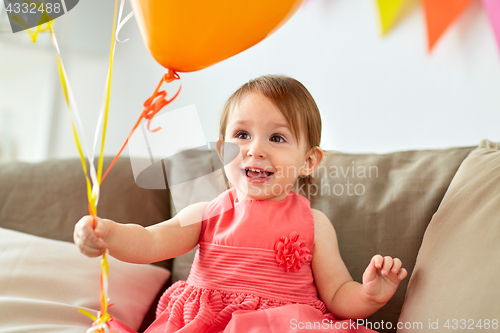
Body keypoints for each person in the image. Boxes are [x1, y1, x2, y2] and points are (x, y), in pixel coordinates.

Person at [74, 75, 408, 333]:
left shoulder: (313, 224)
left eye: (276, 138)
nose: (254, 150)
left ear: (308, 161)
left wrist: (368, 296)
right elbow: (150, 242)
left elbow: (336, 294)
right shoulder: (205, 214)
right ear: (223, 151)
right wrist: (110, 235)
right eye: (242, 135)